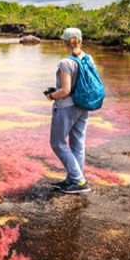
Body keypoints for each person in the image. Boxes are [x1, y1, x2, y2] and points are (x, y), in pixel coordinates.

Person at [45, 27, 92, 194]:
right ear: (80, 40)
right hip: (83, 105)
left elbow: (65, 91)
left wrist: (51, 96)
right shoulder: (88, 58)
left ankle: (79, 181)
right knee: (77, 143)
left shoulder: (66, 63)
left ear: (64, 42)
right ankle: (74, 179)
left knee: (57, 143)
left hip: (66, 107)